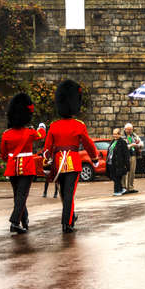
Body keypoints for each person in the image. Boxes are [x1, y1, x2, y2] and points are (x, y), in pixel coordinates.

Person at [43, 80, 99, 233]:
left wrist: (47, 163)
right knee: (69, 194)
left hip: (58, 163)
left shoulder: (54, 125)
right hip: (73, 163)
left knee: (63, 193)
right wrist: (94, 158)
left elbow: (47, 148)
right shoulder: (79, 125)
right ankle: (67, 222)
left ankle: (69, 217)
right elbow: (88, 144)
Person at [0, 93, 46, 234]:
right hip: (26, 167)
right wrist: (42, 126)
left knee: (18, 195)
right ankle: (14, 222)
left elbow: (3, 154)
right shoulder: (30, 132)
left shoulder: (6, 134)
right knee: (22, 196)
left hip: (12, 168)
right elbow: (41, 135)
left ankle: (24, 220)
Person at [106, 128, 130, 196]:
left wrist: (127, 165)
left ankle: (117, 191)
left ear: (119, 134)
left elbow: (126, 154)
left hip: (119, 163)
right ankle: (121, 189)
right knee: (113, 177)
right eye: (113, 134)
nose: (114, 135)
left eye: (116, 134)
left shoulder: (122, 142)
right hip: (111, 162)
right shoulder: (112, 141)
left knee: (117, 178)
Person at [121, 123, 144, 194]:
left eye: (131, 129)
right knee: (124, 172)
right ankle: (123, 188)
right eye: (128, 129)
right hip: (124, 156)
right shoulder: (121, 136)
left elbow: (142, 143)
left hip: (133, 155)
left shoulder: (134, 135)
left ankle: (130, 187)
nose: (130, 131)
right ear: (125, 129)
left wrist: (137, 145)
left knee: (132, 172)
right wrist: (130, 145)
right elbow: (122, 146)